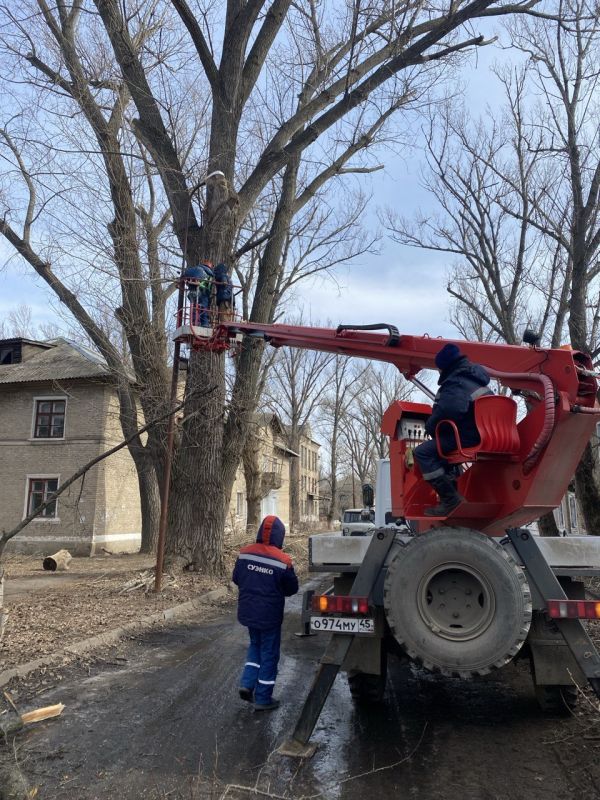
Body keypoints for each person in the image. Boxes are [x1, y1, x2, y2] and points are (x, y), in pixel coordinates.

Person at [414, 343, 492, 516]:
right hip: (484, 435)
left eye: (439, 369)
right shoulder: (476, 380)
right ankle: (454, 493)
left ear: (445, 367)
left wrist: (430, 425)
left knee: (422, 453)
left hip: (467, 437)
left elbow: (449, 410)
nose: (440, 373)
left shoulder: (456, 382)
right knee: (442, 453)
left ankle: (450, 499)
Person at [232, 515, 298, 711]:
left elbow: (236, 578)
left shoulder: (244, 554)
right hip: (270, 616)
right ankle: (262, 698)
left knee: (255, 646)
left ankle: (247, 683)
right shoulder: (283, 560)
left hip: (248, 612)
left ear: (260, 531)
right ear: (280, 536)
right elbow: (291, 589)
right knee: (269, 654)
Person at [183, 262, 214, 327]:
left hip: (192, 291)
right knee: (203, 308)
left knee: (194, 307)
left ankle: (194, 322)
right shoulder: (209, 274)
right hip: (202, 292)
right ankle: (204, 323)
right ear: (210, 268)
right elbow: (208, 287)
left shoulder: (196, 269)